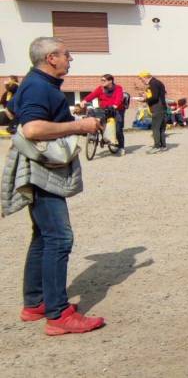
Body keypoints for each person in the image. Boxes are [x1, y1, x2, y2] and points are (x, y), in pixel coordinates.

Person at [8, 37, 105, 335]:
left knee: (43, 237)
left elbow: (13, 109)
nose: (70, 58)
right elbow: (32, 128)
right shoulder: (39, 86)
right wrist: (79, 126)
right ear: (51, 58)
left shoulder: (36, 83)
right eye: (66, 54)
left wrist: (66, 116)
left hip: (39, 171)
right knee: (59, 239)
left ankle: (36, 302)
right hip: (42, 172)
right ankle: (58, 314)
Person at [80, 74, 126, 155]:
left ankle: (121, 147)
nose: (102, 82)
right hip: (104, 109)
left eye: (104, 80)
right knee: (94, 117)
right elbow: (92, 95)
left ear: (110, 81)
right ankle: (100, 134)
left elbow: (119, 98)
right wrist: (84, 101)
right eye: (101, 80)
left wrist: (115, 105)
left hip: (117, 109)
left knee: (118, 129)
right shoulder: (100, 89)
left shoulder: (118, 88)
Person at [137, 71, 166, 152]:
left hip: (158, 107)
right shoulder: (156, 82)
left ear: (146, 77)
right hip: (161, 107)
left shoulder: (153, 83)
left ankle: (157, 147)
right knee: (161, 128)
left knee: (155, 127)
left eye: (141, 79)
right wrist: (145, 95)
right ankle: (163, 146)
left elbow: (155, 97)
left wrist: (145, 99)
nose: (141, 81)